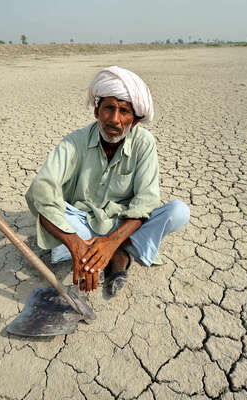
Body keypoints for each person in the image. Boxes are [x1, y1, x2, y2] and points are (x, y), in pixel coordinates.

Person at [26, 66, 190, 296]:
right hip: (84, 222)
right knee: (49, 207)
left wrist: (111, 241)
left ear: (135, 120)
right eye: (108, 109)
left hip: (125, 223)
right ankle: (110, 255)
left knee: (178, 211)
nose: (114, 120)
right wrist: (75, 244)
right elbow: (41, 190)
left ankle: (114, 251)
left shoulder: (144, 143)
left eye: (124, 111)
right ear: (96, 111)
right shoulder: (75, 142)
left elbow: (146, 201)